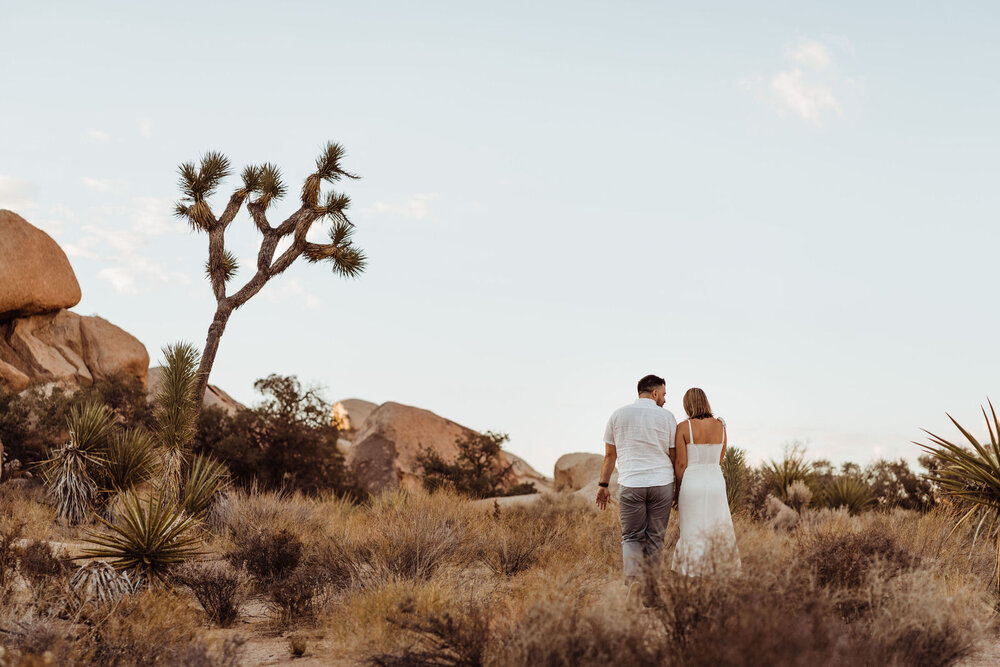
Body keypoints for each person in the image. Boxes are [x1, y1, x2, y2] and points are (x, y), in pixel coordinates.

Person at [596, 374, 678, 598]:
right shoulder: (667, 417)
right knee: (655, 538)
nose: (664, 399)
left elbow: (609, 456)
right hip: (661, 483)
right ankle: (651, 592)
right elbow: (673, 455)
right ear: (654, 393)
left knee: (632, 537)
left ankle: (633, 583)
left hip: (631, 483)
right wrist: (677, 487)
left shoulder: (617, 415)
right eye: (663, 394)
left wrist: (603, 485)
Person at [671, 387, 740, 576]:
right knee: (719, 527)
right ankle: (721, 569)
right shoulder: (721, 426)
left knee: (691, 530)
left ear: (687, 404)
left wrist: (676, 493)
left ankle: (693, 572)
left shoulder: (684, 427)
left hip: (692, 482)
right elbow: (719, 459)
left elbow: (680, 463)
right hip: (716, 481)